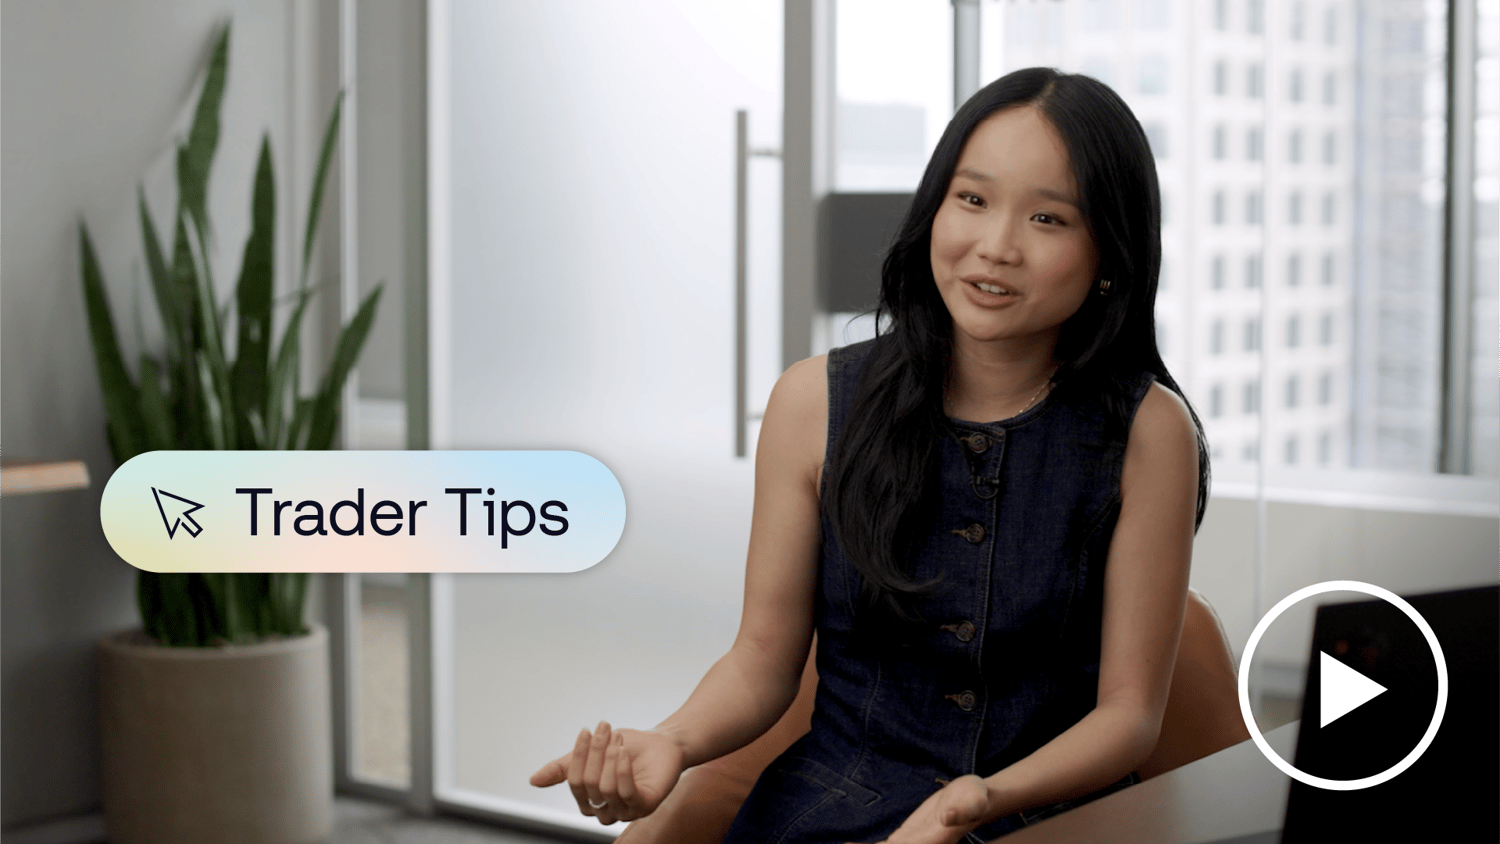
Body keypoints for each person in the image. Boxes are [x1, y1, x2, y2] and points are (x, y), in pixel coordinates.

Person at [531, 66, 1207, 843]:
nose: (996, 247)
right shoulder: (812, 402)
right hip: (830, 812)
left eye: (1049, 219)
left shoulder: (1151, 431)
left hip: (1040, 818)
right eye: (973, 199)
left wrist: (976, 800)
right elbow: (761, 659)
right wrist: (674, 741)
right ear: (933, 210)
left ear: (1110, 254)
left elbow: (1130, 717)